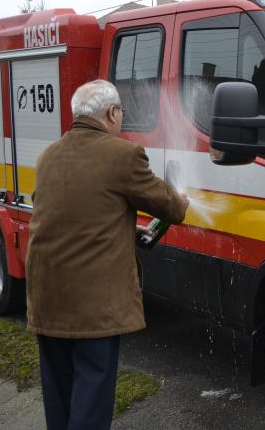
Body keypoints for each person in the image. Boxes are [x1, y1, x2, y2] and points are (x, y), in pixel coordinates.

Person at [26, 80, 189, 429]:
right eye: (121, 112)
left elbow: (63, 213)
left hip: (46, 296)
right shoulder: (123, 155)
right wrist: (181, 198)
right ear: (112, 113)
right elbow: (172, 209)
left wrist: (125, 231)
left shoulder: (47, 155)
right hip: (92, 307)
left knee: (59, 396)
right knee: (91, 402)